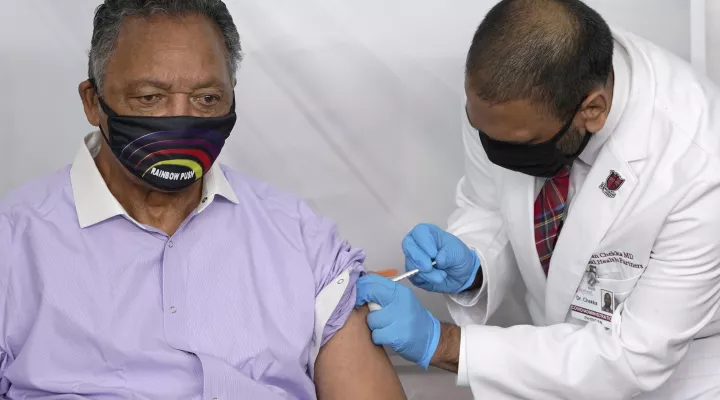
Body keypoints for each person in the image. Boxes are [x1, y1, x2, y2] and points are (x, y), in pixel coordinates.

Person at [0, 1, 407, 399]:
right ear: (92, 101)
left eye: (207, 99)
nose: (181, 120)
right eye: (150, 98)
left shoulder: (303, 240)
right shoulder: (13, 244)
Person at [355, 0, 720, 398]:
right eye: (483, 131)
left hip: (677, 376)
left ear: (592, 110)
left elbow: (633, 356)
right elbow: (489, 204)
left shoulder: (699, 164)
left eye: (521, 144)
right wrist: (474, 264)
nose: (496, 150)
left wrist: (444, 344)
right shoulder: (504, 103)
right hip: (553, 350)